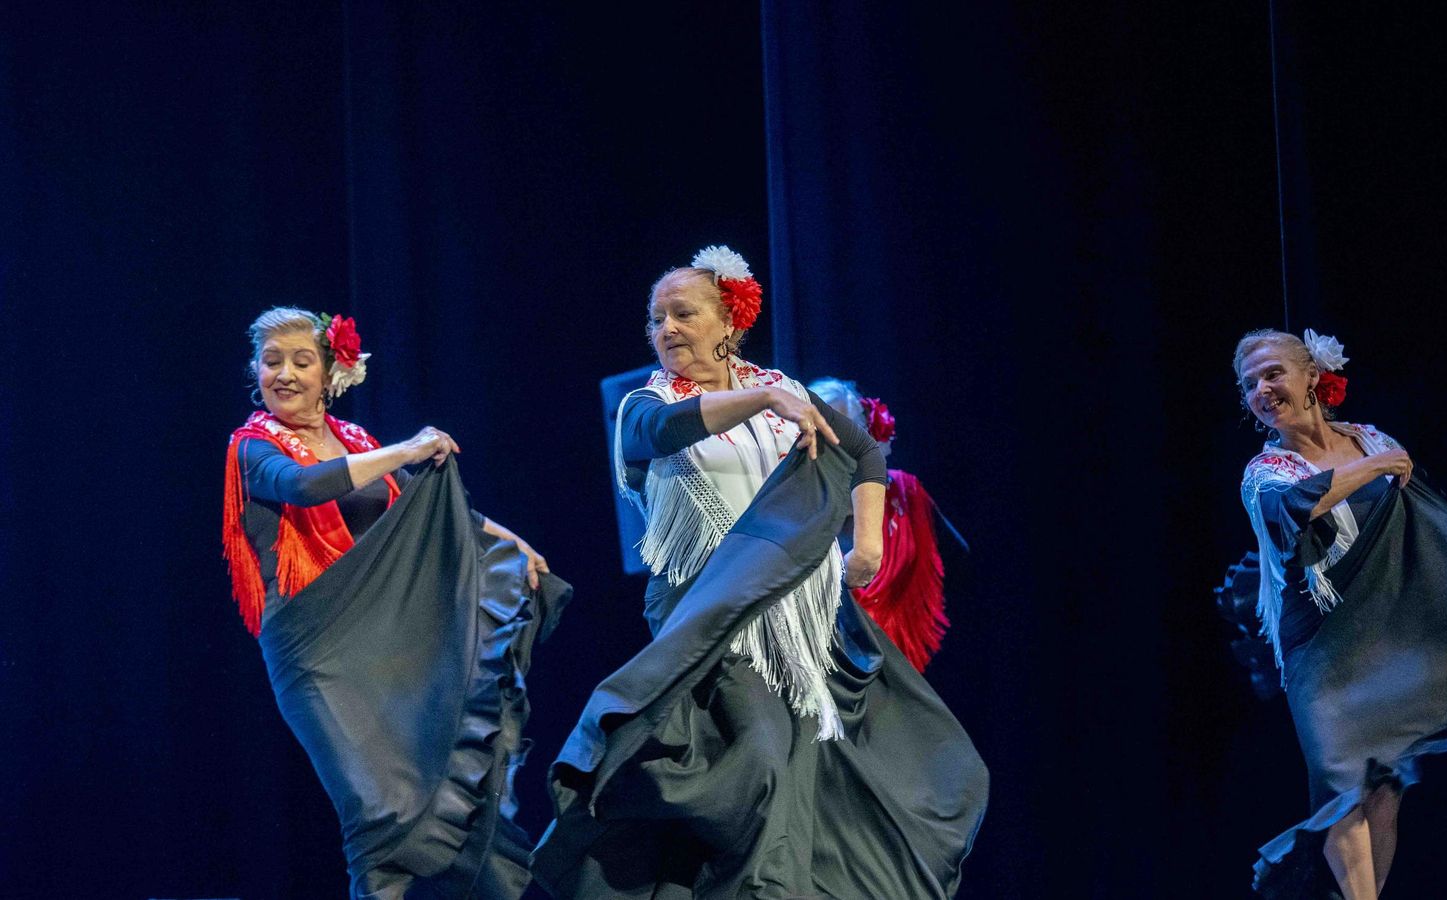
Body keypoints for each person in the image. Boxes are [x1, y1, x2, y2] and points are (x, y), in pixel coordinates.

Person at [531, 247, 988, 899]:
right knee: (763, 762)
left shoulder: (784, 394)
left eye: (683, 313)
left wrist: (866, 549)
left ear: (729, 323)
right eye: (656, 319)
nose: (667, 329)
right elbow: (660, 432)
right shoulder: (645, 404)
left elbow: (861, 452)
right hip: (708, 617)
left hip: (801, 619)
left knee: (829, 776)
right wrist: (762, 397)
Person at [222, 307, 570, 899]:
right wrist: (407, 449)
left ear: (330, 370)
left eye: (301, 361)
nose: (283, 374)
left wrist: (515, 544)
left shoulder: (356, 441)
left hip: (384, 634)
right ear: (254, 369)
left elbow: (434, 514)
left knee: (431, 786)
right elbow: (305, 486)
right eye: (271, 361)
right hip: (314, 646)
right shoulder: (252, 445)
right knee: (373, 807)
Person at [1234, 328, 1447, 899]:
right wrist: (1378, 467)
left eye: (1272, 374)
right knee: (1343, 781)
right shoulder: (1264, 472)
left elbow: (1422, 521)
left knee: (1381, 787)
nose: (1262, 390)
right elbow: (1300, 504)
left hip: (1385, 625)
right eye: (1249, 385)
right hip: (1320, 644)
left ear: (1311, 376)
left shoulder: (1368, 438)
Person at [808, 377, 968, 672]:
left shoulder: (903, 494)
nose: (834, 438)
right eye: (823, 427)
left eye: (844, 426)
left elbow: (960, 563)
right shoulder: (796, 503)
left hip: (908, 663)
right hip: (828, 667)